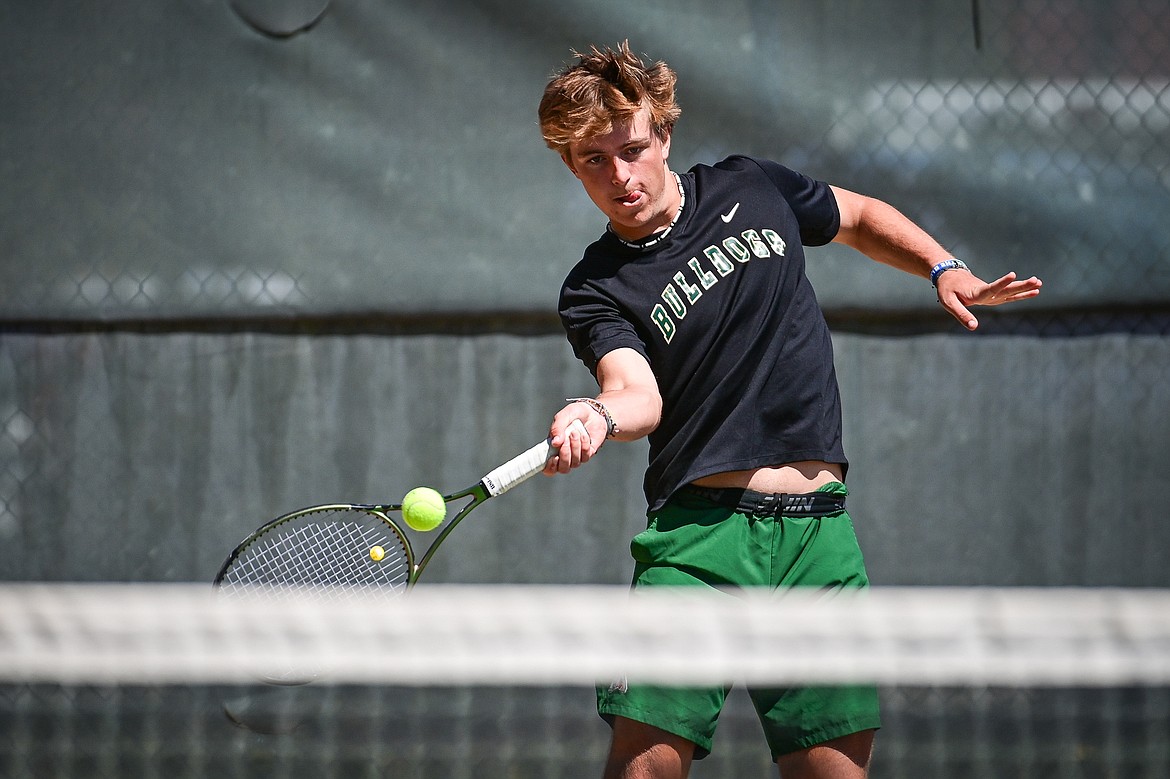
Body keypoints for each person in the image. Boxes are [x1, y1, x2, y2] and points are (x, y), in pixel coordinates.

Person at [537, 41, 1042, 779]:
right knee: (644, 767)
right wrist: (598, 414)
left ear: (664, 134)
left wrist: (943, 265)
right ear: (571, 167)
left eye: (632, 149)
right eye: (593, 161)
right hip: (699, 545)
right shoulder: (595, 287)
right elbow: (635, 392)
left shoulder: (753, 186)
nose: (620, 176)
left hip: (820, 538)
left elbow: (860, 215)